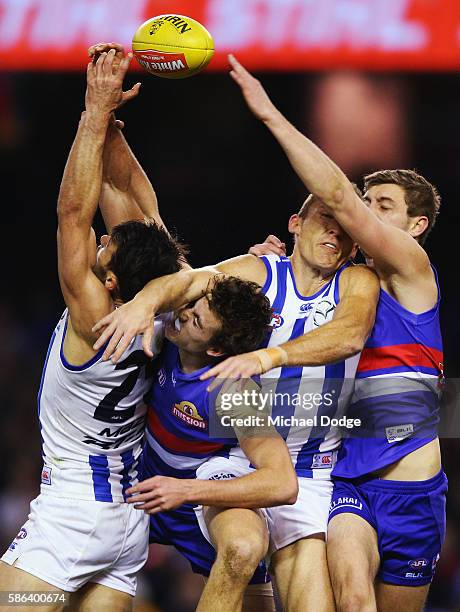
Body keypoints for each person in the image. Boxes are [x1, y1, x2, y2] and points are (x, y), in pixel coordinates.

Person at [92, 69, 381, 612]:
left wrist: (266, 356)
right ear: (296, 222)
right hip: (223, 460)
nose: (334, 232)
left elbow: (351, 333)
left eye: (345, 226)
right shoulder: (256, 269)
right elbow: (184, 274)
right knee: (149, 238)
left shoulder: (357, 281)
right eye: (323, 218)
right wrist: (145, 303)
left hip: (305, 471)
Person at [220, 56, 446, 611]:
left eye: (382, 207)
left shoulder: (412, 270)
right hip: (346, 478)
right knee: (349, 596)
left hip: (411, 488)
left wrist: (271, 115)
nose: (363, 214)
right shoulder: (345, 278)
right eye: (366, 202)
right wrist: (266, 261)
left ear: (416, 228)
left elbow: (337, 197)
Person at [0, 49, 188, 612]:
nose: (99, 240)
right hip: (126, 522)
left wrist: (93, 111)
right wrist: (110, 132)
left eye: (103, 246)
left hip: (76, 513)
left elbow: (72, 212)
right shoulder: (161, 298)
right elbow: (141, 212)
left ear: (107, 278)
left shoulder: (94, 315)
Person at [128, 276, 298, 612]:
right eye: (192, 305)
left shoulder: (232, 391)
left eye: (196, 319)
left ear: (216, 349)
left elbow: (282, 482)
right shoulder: (170, 333)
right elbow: (153, 235)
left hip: (197, 494)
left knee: (243, 548)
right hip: (140, 486)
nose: (183, 313)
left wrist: (186, 490)